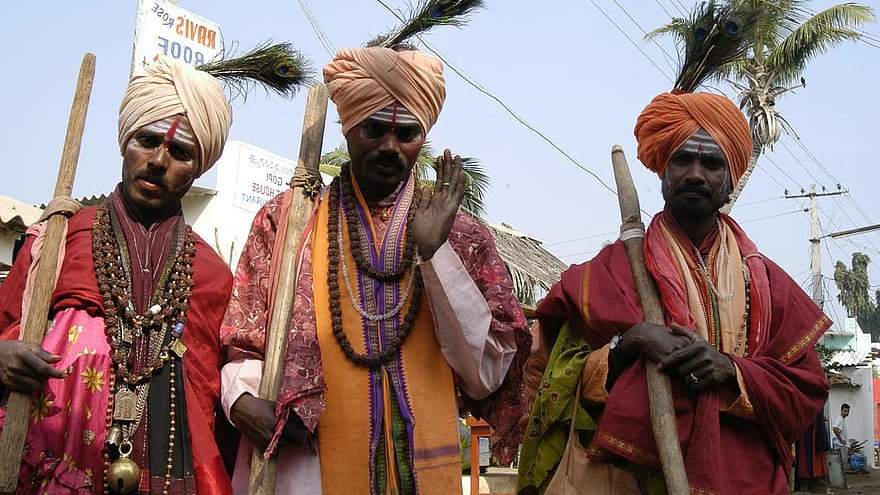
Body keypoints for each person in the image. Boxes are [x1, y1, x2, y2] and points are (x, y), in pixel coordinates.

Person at [219, 45, 531, 495]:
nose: (389, 147)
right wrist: (244, 400)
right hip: (309, 466)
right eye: (373, 130)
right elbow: (243, 342)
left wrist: (434, 252)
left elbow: (485, 373)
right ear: (347, 128)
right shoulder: (288, 220)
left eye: (406, 133)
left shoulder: (462, 236)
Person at [517, 91, 830, 495]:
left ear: (731, 179)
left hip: (750, 481)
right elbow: (552, 381)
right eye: (683, 159)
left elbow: (805, 389)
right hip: (636, 480)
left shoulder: (768, 283)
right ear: (663, 171)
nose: (696, 174)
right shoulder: (610, 272)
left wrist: (731, 372)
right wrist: (626, 344)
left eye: (712, 163)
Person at [0, 58, 234, 494]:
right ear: (126, 142)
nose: (159, 160)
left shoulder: (211, 273)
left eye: (180, 152)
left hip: (163, 470)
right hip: (44, 463)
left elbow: (210, 403)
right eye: (147, 141)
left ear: (198, 168)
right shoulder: (60, 237)